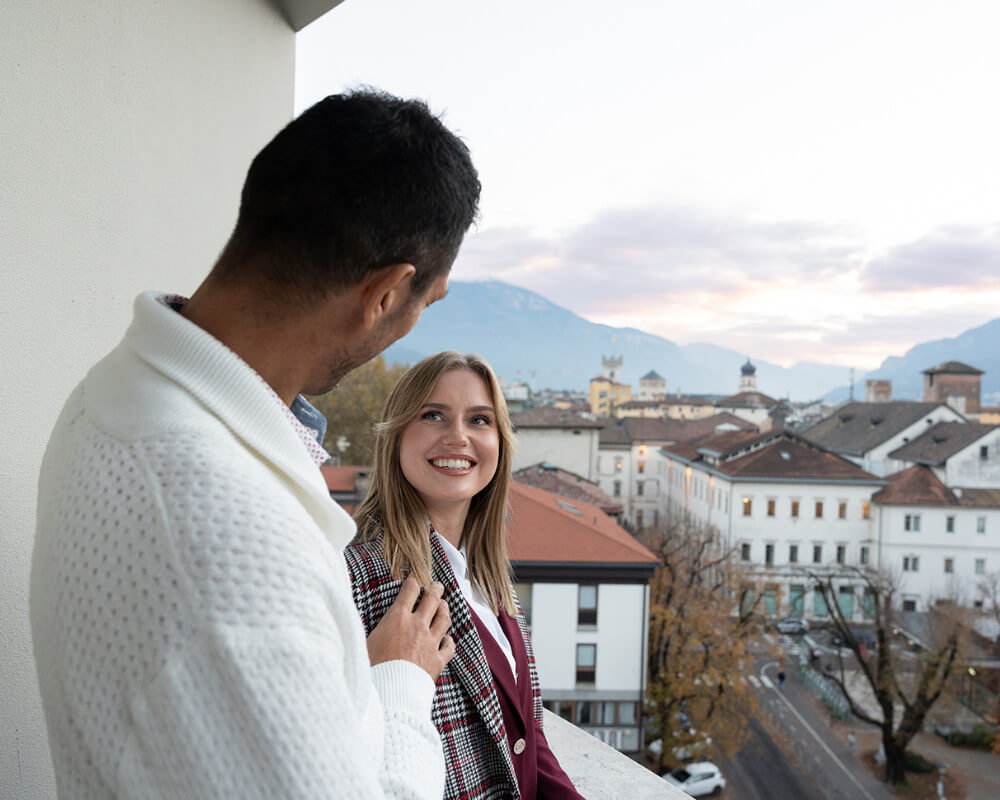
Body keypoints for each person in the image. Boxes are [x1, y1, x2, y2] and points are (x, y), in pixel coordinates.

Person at [30, 89, 480, 799]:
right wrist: (399, 683)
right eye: (431, 299)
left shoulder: (107, 395)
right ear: (387, 293)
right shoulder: (234, 555)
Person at [345, 351, 583, 800]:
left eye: (479, 420)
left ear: (500, 442)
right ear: (395, 435)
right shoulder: (356, 579)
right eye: (433, 415)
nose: (458, 437)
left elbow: (526, 739)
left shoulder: (489, 576)